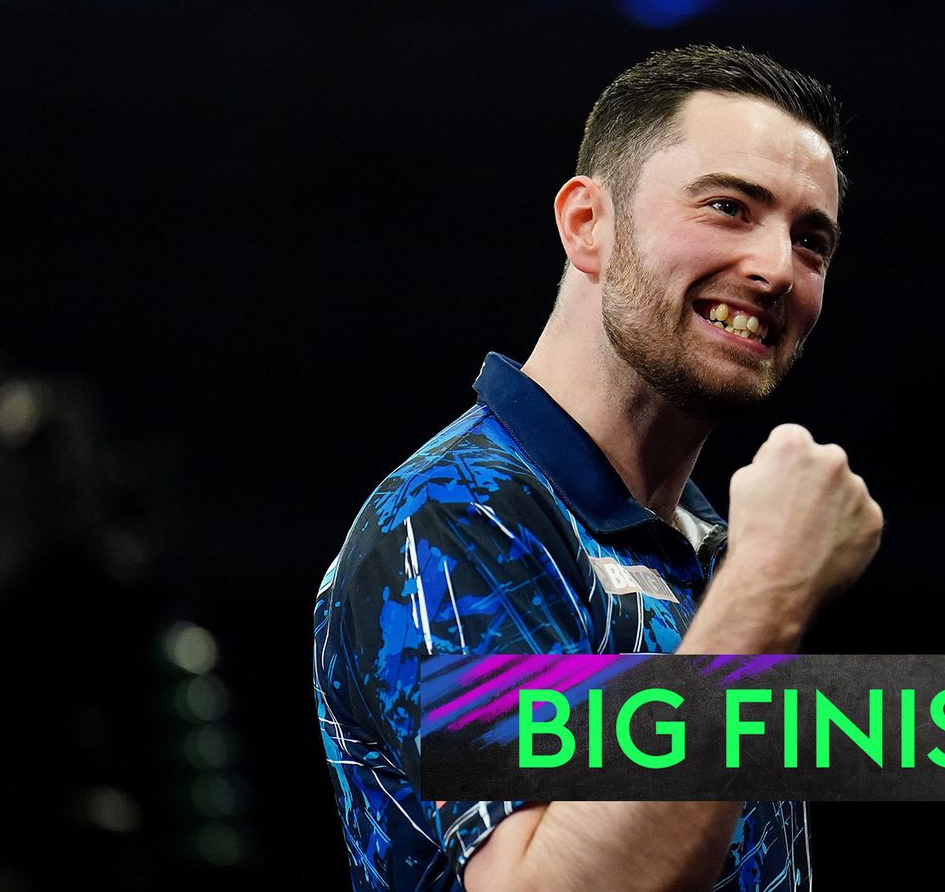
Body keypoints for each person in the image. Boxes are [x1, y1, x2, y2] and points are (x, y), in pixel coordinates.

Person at [314, 44, 883, 891]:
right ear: (588, 224)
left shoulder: (709, 549)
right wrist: (769, 587)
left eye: (812, 242)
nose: (776, 270)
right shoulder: (455, 513)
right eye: (728, 207)